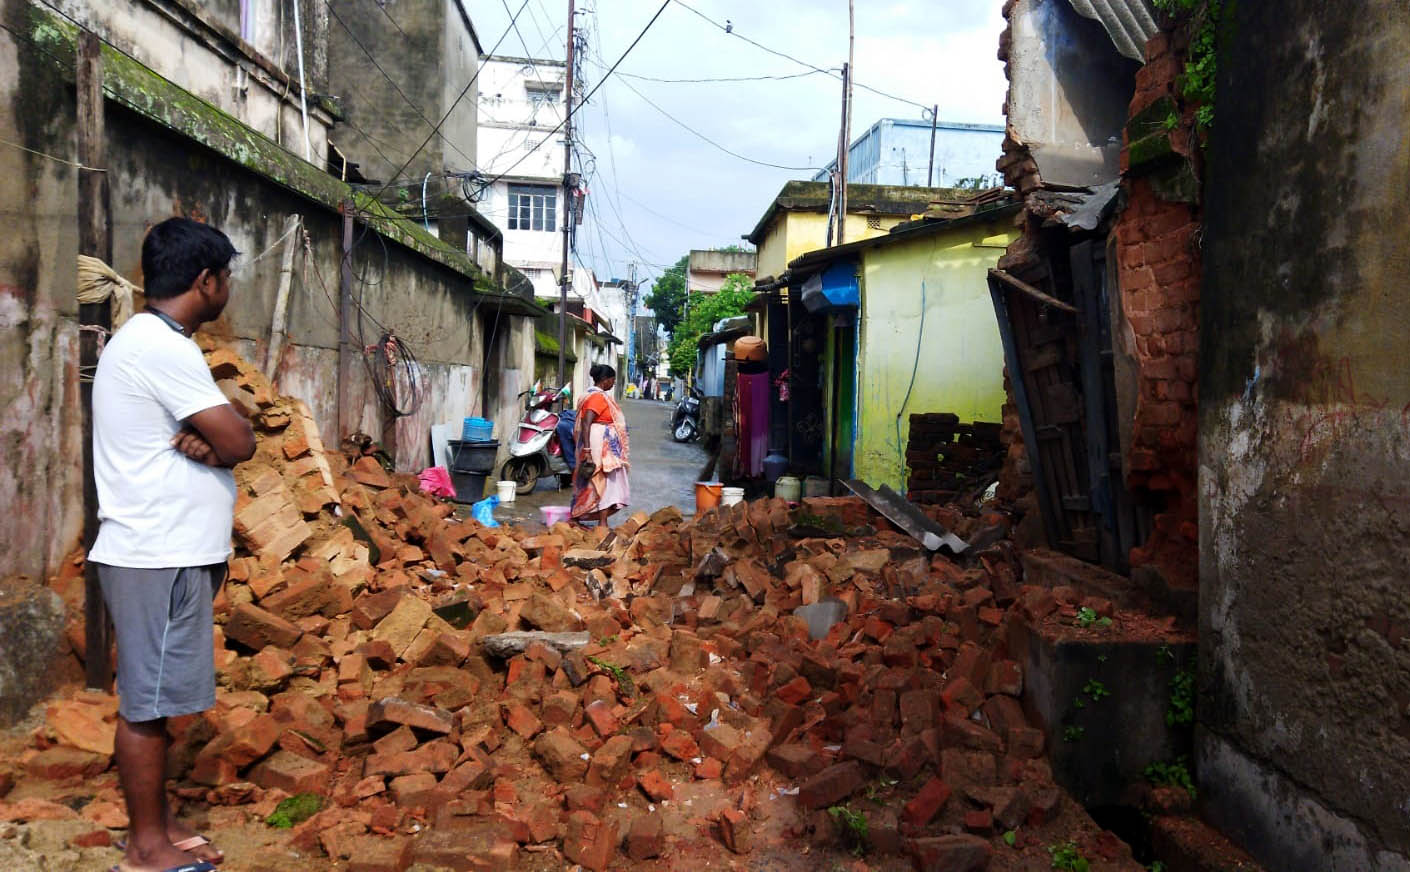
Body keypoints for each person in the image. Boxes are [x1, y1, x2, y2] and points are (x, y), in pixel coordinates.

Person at [90, 217, 254, 872]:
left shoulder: (154, 342)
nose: (228, 290)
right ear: (206, 280)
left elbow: (226, 437)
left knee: (156, 699)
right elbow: (239, 440)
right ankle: (146, 846)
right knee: (147, 705)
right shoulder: (161, 347)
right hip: (156, 553)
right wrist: (219, 442)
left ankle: (155, 825)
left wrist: (211, 439)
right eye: (227, 278)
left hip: (166, 551)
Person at [571, 364, 630, 526]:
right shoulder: (597, 397)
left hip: (602, 444)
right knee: (601, 481)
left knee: (602, 481)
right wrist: (588, 450)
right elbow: (586, 422)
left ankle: (585, 518)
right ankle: (598, 521)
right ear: (605, 380)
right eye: (613, 380)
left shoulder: (592, 395)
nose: (613, 383)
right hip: (599, 445)